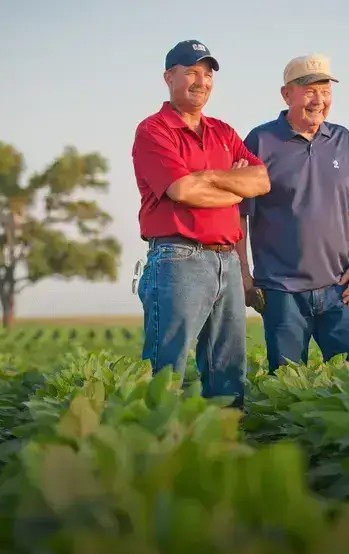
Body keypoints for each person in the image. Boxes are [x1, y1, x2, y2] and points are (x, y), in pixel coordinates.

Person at [131, 39, 270, 407]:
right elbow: (182, 189)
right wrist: (233, 185)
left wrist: (209, 179)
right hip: (179, 258)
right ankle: (157, 449)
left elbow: (262, 180)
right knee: (166, 368)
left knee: (228, 369)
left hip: (228, 260)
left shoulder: (223, 131)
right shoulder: (153, 130)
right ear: (168, 77)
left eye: (207, 74)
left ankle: (222, 449)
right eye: (191, 72)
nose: (201, 81)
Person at [236, 53, 349, 373]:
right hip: (282, 294)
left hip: (341, 289)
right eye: (309, 90)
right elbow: (239, 214)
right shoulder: (260, 141)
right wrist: (243, 274)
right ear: (287, 94)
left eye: (325, 91)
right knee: (285, 391)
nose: (319, 100)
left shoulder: (344, 141)